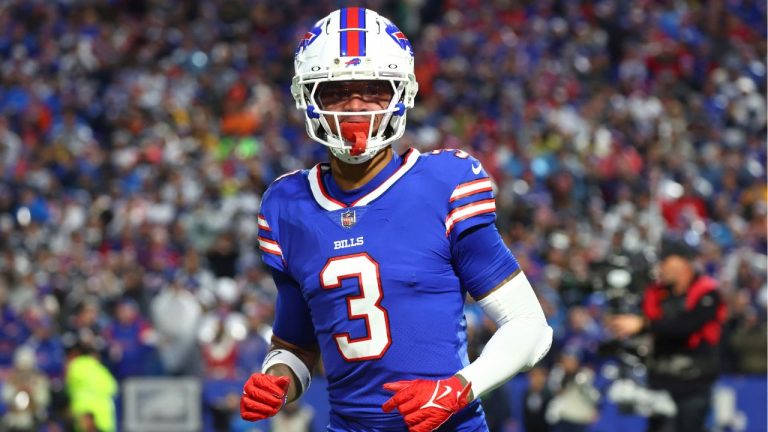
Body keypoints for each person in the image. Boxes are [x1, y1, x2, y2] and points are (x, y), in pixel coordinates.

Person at [239, 7, 553, 432]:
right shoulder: (287, 204)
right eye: (336, 91)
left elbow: (530, 328)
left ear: (401, 94)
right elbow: (295, 343)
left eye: (374, 90)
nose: (355, 106)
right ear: (307, 99)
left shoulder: (443, 184)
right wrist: (278, 378)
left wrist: (459, 387)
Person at [608, 239, 726, 432]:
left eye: (665, 261)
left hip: (693, 385)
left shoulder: (707, 292)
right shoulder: (657, 293)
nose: (660, 267)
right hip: (661, 384)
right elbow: (644, 317)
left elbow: (685, 326)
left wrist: (643, 324)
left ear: (683, 263)